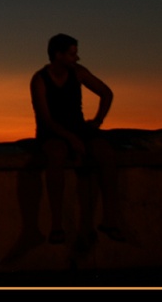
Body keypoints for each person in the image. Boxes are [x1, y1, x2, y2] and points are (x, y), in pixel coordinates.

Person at [30, 33, 124, 244]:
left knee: (106, 153)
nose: (77, 58)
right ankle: (56, 225)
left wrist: (98, 120)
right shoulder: (39, 80)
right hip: (52, 131)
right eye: (72, 54)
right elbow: (45, 118)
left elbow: (106, 93)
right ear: (58, 55)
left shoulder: (79, 73)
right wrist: (70, 138)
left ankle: (110, 219)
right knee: (56, 155)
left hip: (78, 128)